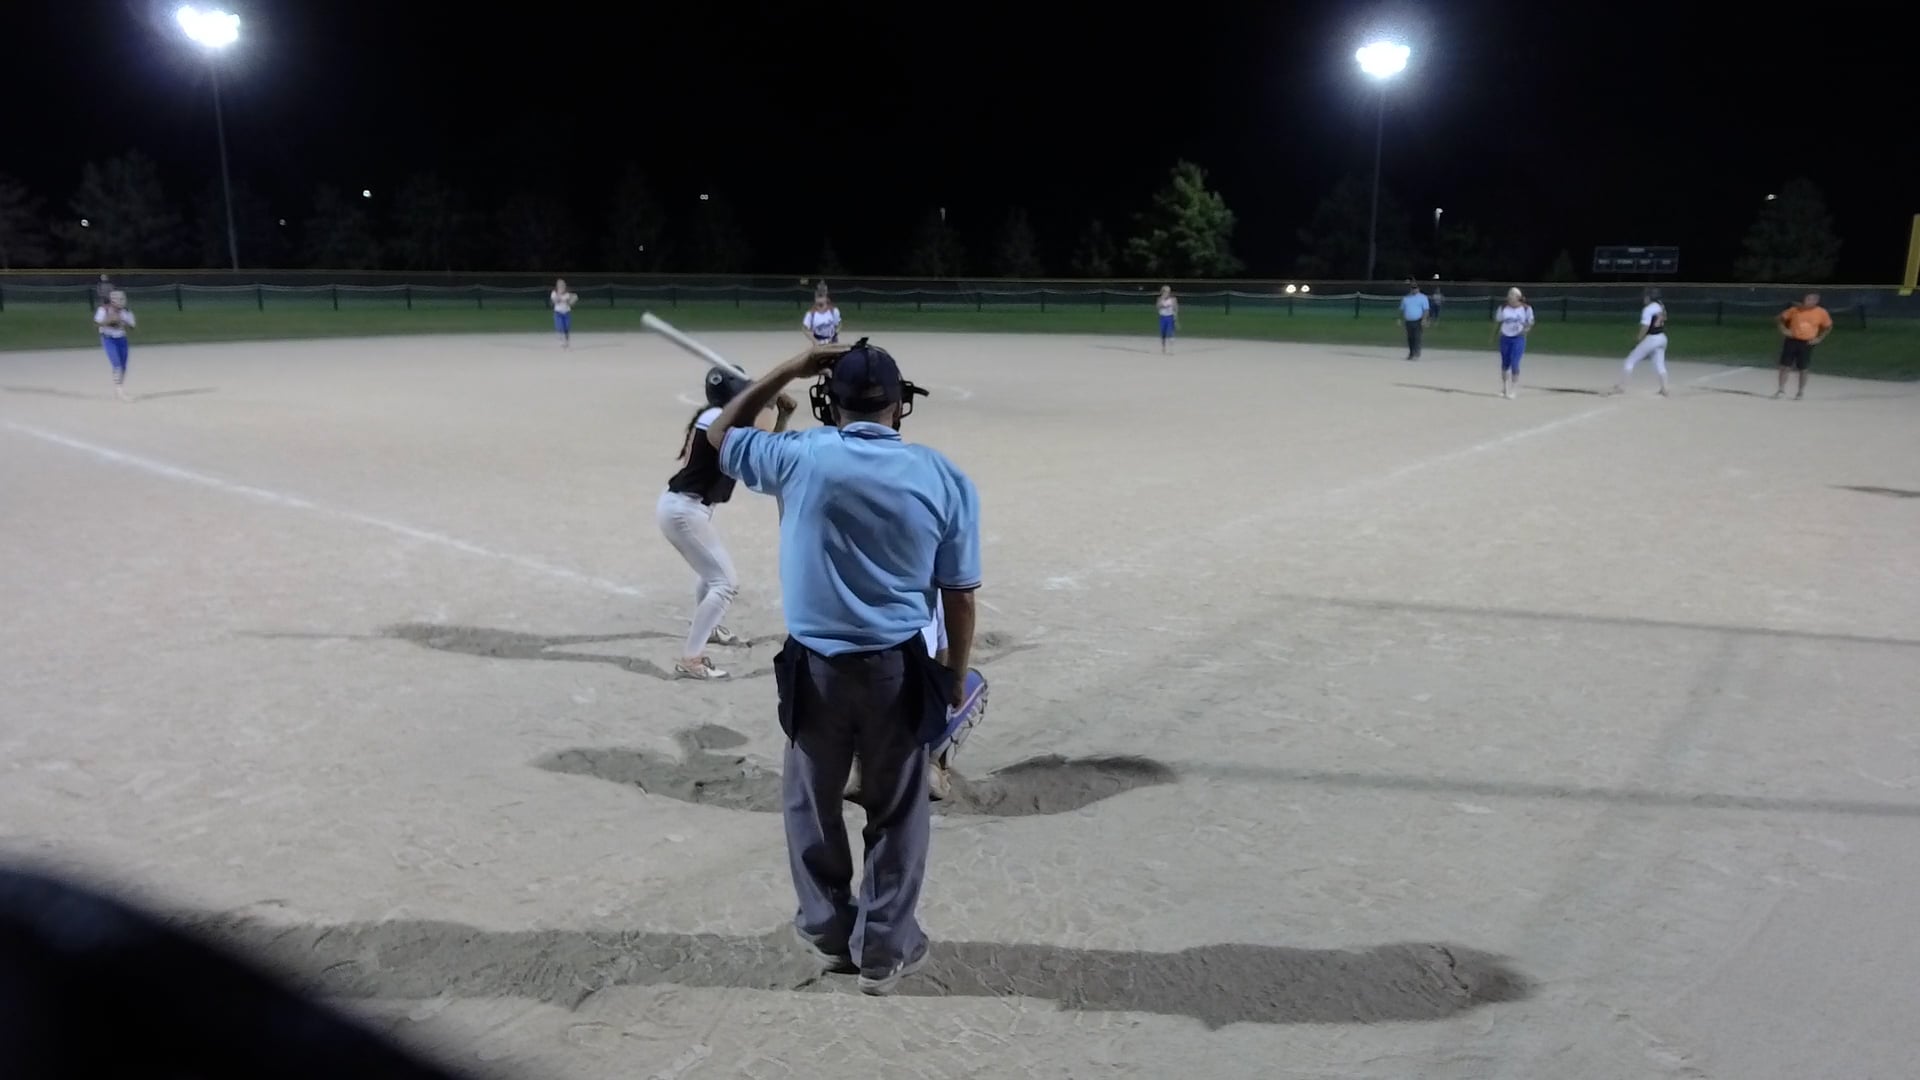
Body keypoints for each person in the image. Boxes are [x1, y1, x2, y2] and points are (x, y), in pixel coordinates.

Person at [707, 338, 980, 996]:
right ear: (898, 405)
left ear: (830, 403)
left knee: (810, 803)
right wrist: (952, 675)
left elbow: (719, 436)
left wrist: (788, 368)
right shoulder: (943, 476)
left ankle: (828, 932)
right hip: (896, 670)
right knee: (898, 811)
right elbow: (960, 595)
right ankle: (883, 950)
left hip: (816, 670)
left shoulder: (800, 455)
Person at [656, 369, 798, 679]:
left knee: (710, 574)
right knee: (725, 583)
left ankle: (708, 629)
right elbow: (761, 447)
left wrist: (778, 409)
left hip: (687, 508)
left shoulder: (715, 417)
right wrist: (772, 401)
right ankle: (691, 660)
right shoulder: (720, 422)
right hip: (683, 511)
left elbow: (764, 449)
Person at [1775, 291, 1833, 400]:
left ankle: (1800, 392)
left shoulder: (1821, 312)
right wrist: (1783, 329)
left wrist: (1819, 338)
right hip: (1792, 340)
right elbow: (1780, 318)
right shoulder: (1795, 310)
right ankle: (1781, 390)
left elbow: (1828, 326)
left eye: (1810, 299)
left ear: (1816, 301)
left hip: (1806, 342)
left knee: (1803, 368)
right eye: (1806, 298)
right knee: (1785, 366)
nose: (1806, 301)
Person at [1614, 288, 1671, 396]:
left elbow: (1645, 326)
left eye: (1646, 296)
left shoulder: (1648, 309)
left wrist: (1638, 339)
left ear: (1650, 297)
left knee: (1630, 361)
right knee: (1659, 364)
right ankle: (1665, 389)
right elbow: (1665, 318)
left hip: (1652, 338)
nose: (1644, 298)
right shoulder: (1661, 306)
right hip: (1662, 338)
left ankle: (1621, 387)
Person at [93, 289, 136, 402]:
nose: (120, 302)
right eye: (118, 300)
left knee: (123, 365)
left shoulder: (126, 311)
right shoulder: (104, 309)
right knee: (117, 364)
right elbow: (96, 324)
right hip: (108, 339)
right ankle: (120, 390)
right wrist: (108, 321)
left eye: (122, 299)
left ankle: (119, 387)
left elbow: (132, 326)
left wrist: (122, 322)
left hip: (121, 338)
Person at [1492, 287, 1534, 399]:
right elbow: (1498, 322)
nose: (1509, 296)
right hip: (1505, 337)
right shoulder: (1503, 308)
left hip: (1518, 338)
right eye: (1509, 294)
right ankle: (1504, 389)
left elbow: (1530, 322)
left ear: (1518, 297)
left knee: (1515, 362)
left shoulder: (1526, 308)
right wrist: (1494, 336)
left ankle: (1513, 390)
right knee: (1505, 363)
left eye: (1512, 294)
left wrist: (1525, 330)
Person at [1399, 279, 1431, 360]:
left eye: (1415, 288)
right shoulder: (1406, 298)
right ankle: (1411, 353)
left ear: (1418, 288)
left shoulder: (1423, 297)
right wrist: (1400, 319)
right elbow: (1402, 310)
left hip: (1418, 320)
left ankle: (1416, 353)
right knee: (1410, 338)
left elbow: (1426, 310)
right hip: (1408, 321)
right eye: (1412, 288)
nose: (1414, 290)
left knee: (1417, 337)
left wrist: (1424, 319)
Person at [549, 279, 578, 348]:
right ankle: (561, 340)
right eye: (560, 286)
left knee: (567, 327)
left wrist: (571, 301)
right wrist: (559, 296)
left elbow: (573, 299)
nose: (562, 287)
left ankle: (567, 341)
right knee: (559, 327)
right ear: (557, 286)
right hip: (558, 313)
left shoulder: (567, 294)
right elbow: (554, 301)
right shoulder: (554, 293)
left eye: (563, 286)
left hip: (566, 313)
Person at [1156, 286, 1178, 353]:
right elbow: (1157, 307)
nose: (1167, 293)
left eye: (1168, 291)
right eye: (1165, 291)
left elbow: (1175, 308)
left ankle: (1172, 348)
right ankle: (1163, 347)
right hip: (1162, 317)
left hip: (1170, 317)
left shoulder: (1173, 299)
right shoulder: (1160, 299)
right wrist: (1162, 304)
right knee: (1163, 333)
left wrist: (1175, 317)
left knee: (1170, 332)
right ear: (1162, 292)